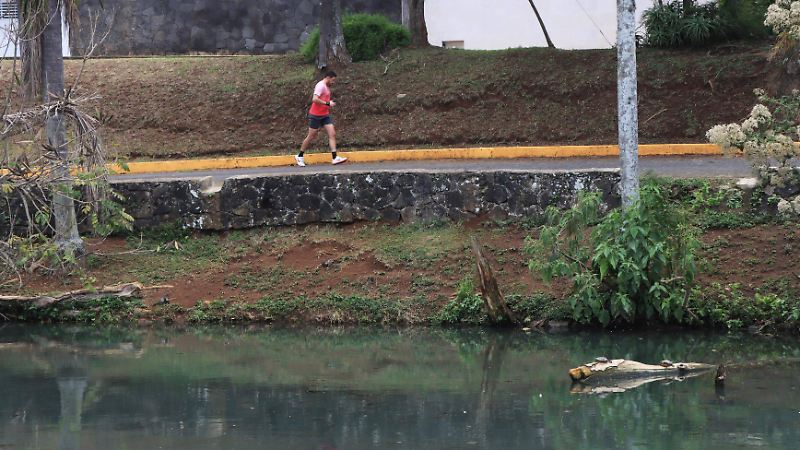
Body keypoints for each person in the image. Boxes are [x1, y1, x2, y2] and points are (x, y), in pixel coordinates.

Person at [295, 70, 348, 166]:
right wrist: (328, 103)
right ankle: (300, 155)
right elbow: (314, 99)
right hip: (315, 115)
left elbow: (323, 98)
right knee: (311, 136)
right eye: (332, 80)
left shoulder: (326, 86)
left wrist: (328, 102)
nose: (333, 82)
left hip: (324, 115)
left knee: (332, 133)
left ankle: (335, 157)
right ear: (328, 77)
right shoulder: (320, 86)